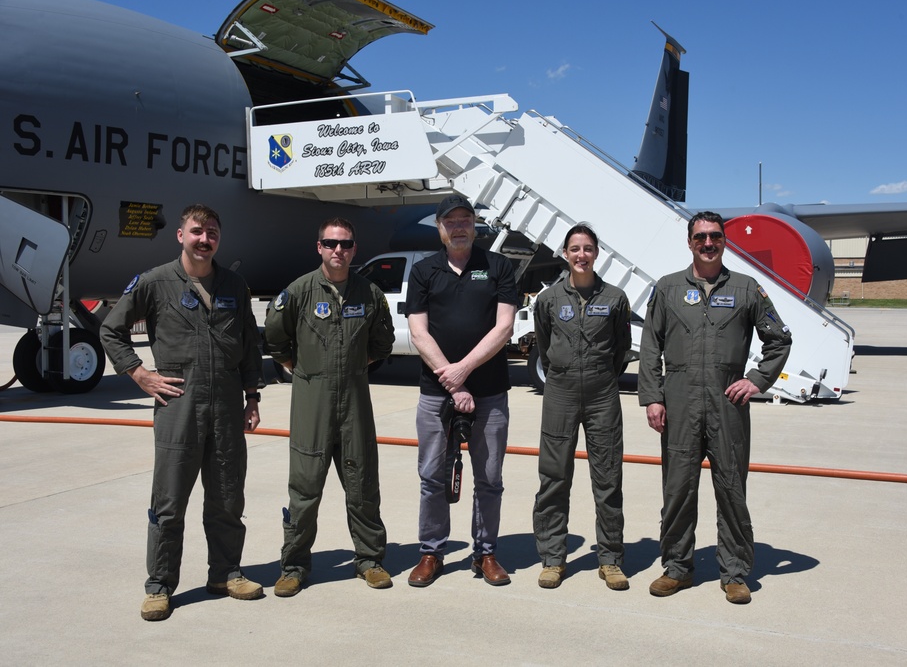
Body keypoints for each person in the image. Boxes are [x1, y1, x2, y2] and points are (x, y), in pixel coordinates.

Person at [100, 204, 264, 622]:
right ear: (180, 235)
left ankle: (226, 573)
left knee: (227, 498)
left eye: (212, 231)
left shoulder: (233, 283)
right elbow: (110, 329)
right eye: (197, 231)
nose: (204, 238)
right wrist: (139, 374)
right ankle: (159, 586)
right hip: (178, 406)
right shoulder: (155, 282)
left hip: (227, 407)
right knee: (170, 502)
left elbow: (248, 343)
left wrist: (252, 397)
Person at [637, 210, 792, 604]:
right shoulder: (668, 289)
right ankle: (676, 568)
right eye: (700, 237)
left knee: (731, 489)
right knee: (678, 490)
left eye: (715, 237)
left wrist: (756, 379)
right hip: (680, 403)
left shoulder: (746, 288)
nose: (708, 243)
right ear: (689, 242)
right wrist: (653, 397)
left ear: (724, 241)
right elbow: (650, 346)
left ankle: (735, 572)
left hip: (727, 405)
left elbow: (779, 339)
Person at [264, 217, 395, 596]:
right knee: (304, 489)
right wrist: (304, 370)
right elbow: (276, 337)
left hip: (355, 400)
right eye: (331, 243)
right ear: (318, 247)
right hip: (312, 401)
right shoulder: (300, 291)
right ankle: (293, 565)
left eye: (346, 243)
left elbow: (381, 343)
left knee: (363, 484)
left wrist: (353, 368)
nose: (339, 250)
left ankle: (369, 561)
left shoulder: (369, 294)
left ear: (355, 249)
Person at [404, 194, 518, 587]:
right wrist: (450, 381)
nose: (458, 227)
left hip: (488, 392)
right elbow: (418, 332)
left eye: (464, 219)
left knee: (489, 477)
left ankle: (485, 554)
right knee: (432, 475)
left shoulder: (498, 266)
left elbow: (503, 328)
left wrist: (463, 372)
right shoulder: (424, 271)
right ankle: (431, 552)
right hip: (435, 393)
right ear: (439, 227)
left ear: (475, 224)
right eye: (449, 221)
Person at [531, 224, 632, 590]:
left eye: (588, 248)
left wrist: (599, 373)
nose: (581, 255)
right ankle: (553, 558)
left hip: (603, 393)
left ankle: (610, 558)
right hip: (560, 392)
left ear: (596, 253)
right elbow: (544, 342)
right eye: (574, 248)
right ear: (565, 252)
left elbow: (622, 348)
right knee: (554, 476)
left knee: (607, 477)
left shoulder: (616, 298)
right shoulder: (549, 300)